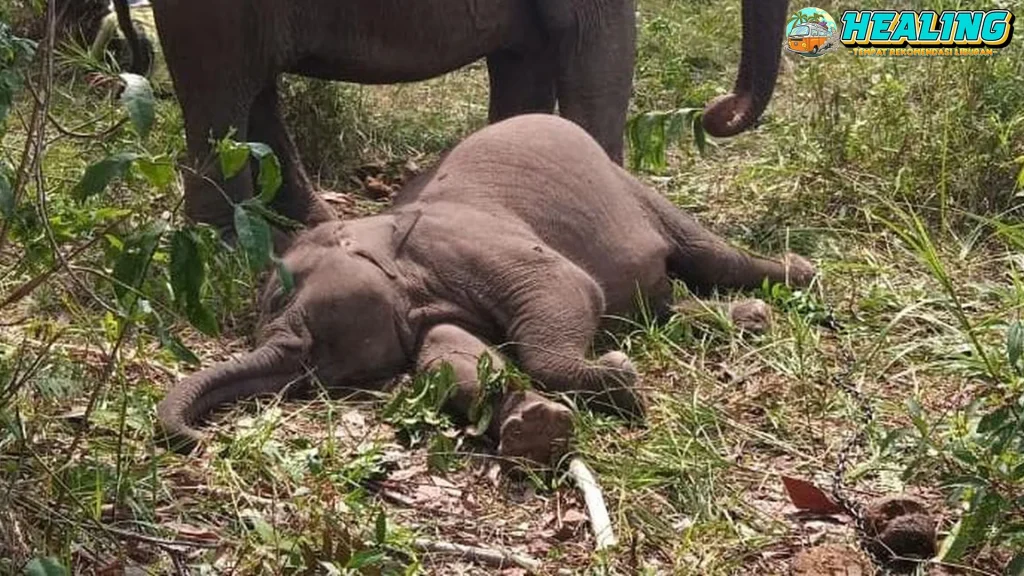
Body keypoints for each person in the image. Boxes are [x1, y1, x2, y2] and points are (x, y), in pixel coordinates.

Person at [88, 0, 172, 95]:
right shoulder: (162, 15)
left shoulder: (112, 19)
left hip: (142, 91)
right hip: (171, 87)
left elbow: (93, 61)